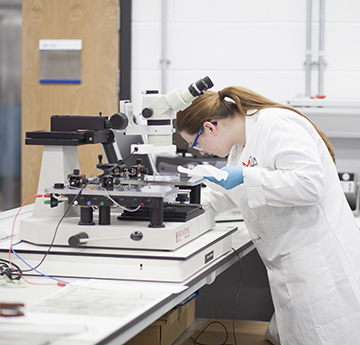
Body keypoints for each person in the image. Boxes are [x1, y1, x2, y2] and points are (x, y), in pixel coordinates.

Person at [176, 86, 360, 345]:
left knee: (326, 334)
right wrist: (182, 203)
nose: (201, 152)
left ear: (209, 128)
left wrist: (245, 176)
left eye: (196, 143)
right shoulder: (241, 146)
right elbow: (232, 193)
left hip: (318, 262)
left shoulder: (276, 124)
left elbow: (309, 185)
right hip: (291, 262)